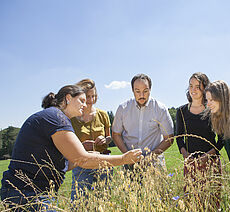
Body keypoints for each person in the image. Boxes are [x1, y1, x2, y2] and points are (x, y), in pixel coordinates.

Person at [0, 85, 142, 211]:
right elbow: (83, 160)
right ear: (68, 98)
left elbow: (63, 165)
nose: (85, 104)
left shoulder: (53, 116)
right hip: (28, 194)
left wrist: (87, 155)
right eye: (81, 100)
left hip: (24, 192)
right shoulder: (57, 118)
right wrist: (124, 159)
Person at [176, 72, 224, 208]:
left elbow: (221, 140)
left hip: (211, 162)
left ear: (205, 88)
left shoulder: (212, 109)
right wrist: (186, 156)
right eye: (191, 86)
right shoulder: (181, 111)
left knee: (212, 202)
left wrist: (206, 156)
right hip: (190, 164)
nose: (193, 89)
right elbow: (179, 137)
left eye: (198, 86)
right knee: (192, 203)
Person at [112, 73, 174, 171]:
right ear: (132, 90)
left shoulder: (160, 109)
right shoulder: (123, 109)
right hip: (129, 164)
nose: (141, 95)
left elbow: (169, 138)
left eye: (145, 91)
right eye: (137, 91)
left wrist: (150, 157)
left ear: (150, 89)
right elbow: (116, 134)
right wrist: (128, 157)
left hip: (155, 162)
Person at [70, 79, 113, 201]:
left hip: (104, 162)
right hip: (82, 164)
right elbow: (68, 144)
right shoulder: (72, 118)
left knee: (103, 200)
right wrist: (82, 146)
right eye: (87, 97)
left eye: (93, 96)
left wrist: (104, 140)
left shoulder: (103, 114)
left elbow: (109, 137)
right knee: (80, 201)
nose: (91, 100)